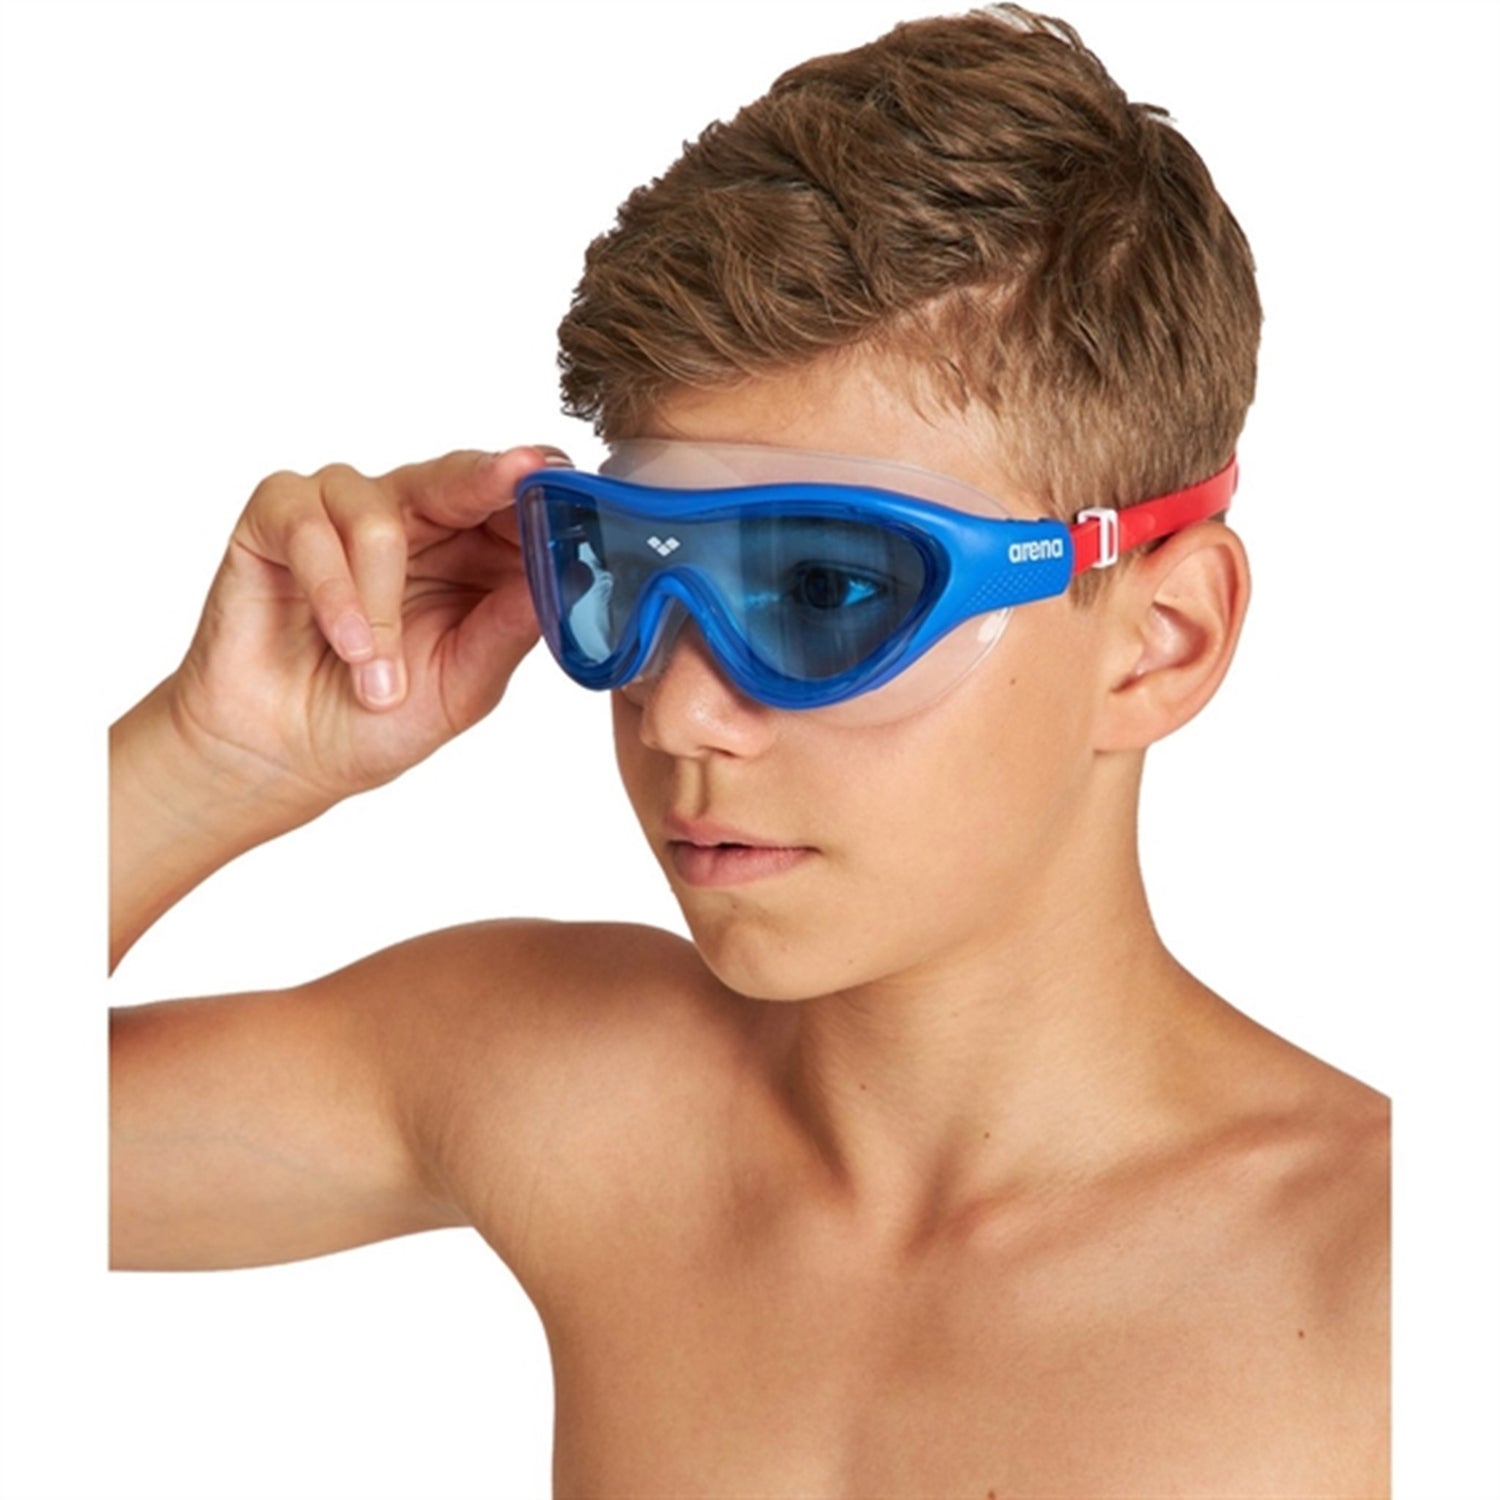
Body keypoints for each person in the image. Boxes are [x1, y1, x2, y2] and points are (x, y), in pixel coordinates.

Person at [107, 6, 1389, 1495]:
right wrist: (214, 759)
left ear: (1161, 639)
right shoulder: (570, 1093)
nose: (677, 712)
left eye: (828, 589)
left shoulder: (1391, 1292)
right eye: (623, 569)